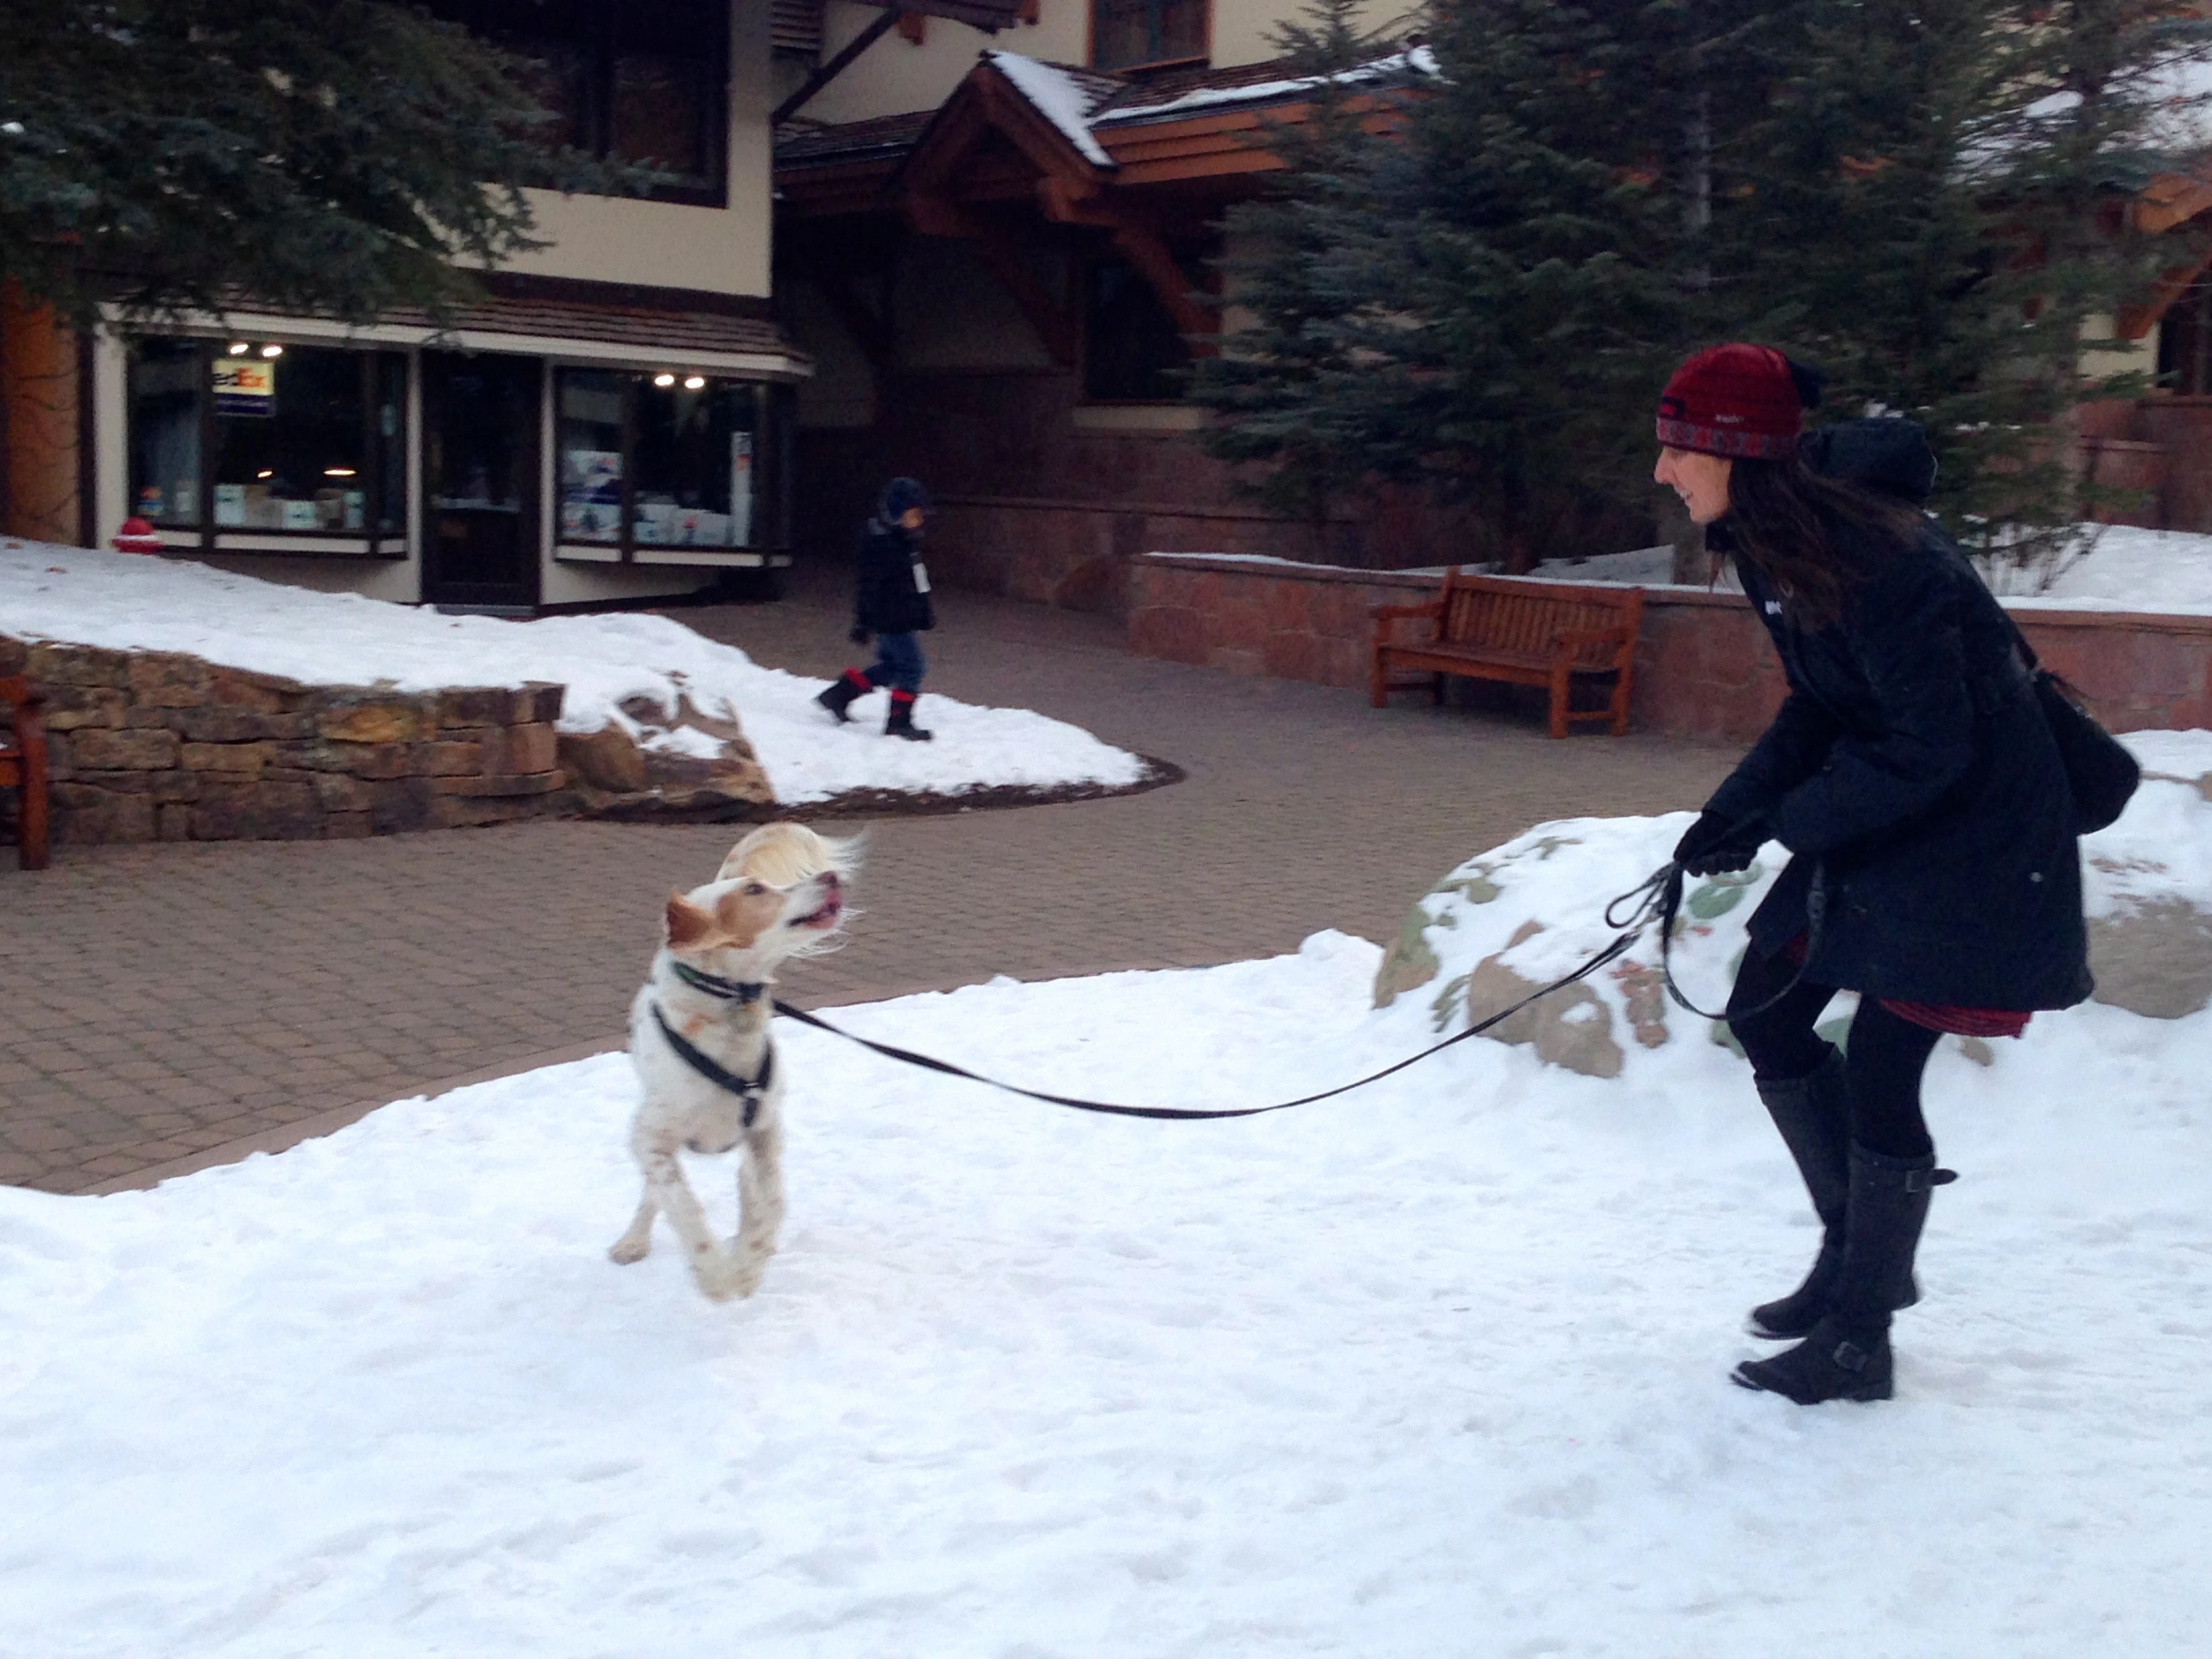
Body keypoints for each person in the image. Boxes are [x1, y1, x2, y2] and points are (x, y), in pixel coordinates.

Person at [1655, 343, 2089, 1405]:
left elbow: (1931, 746)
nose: (1662, 472)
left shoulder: (1880, 558)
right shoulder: (1776, 540)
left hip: (1981, 840)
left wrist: (1790, 824)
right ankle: (1850, 1260)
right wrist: (1733, 816)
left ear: (1730, 450)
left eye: (1674, 449)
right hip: (1903, 812)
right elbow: (1825, 703)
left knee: (1888, 1064)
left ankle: (1861, 1336)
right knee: (1765, 1006)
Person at [815, 476, 937, 741]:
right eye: (912, 516)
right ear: (894, 515)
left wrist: (924, 611)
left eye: (920, 516)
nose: (918, 522)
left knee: (892, 666)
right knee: (913, 667)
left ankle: (840, 694)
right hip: (891, 619)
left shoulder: (904, 543)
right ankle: (899, 721)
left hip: (901, 616)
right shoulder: (884, 547)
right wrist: (863, 621)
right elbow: (869, 588)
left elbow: (917, 583)